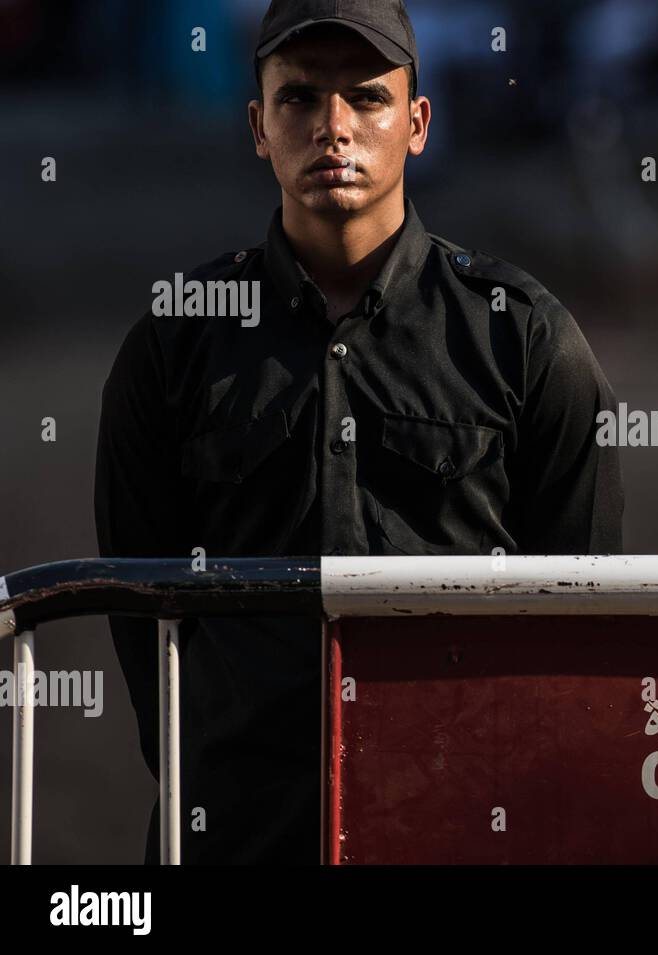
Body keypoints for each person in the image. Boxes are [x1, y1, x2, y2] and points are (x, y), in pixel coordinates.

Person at [94, 0, 624, 863]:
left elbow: (581, 617)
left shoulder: (522, 339)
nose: (333, 127)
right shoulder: (174, 343)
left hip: (464, 828)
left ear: (417, 122)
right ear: (258, 126)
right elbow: (139, 615)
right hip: (237, 835)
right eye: (299, 98)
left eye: (367, 98)